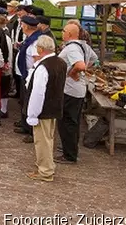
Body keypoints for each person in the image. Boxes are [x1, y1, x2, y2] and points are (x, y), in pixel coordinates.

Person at [24, 36, 66, 182]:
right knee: (48, 139)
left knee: (42, 141)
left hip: (43, 109)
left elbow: (38, 93)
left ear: (41, 49)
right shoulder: (60, 62)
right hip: (54, 106)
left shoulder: (43, 67)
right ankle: (47, 166)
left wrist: (32, 114)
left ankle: (45, 170)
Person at [56, 22, 97, 164]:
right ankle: (70, 148)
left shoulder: (72, 48)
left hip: (70, 90)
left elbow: (81, 65)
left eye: (64, 31)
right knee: (72, 121)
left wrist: (72, 72)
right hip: (78, 90)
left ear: (69, 34)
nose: (62, 33)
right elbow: (94, 59)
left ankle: (69, 154)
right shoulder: (84, 45)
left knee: (67, 121)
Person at [14, 15, 42, 139]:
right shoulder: (30, 38)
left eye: (22, 24)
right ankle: (25, 125)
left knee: (30, 103)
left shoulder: (36, 42)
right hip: (24, 74)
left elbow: (37, 60)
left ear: (26, 26)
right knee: (24, 101)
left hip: (30, 75)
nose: (21, 26)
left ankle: (31, 131)